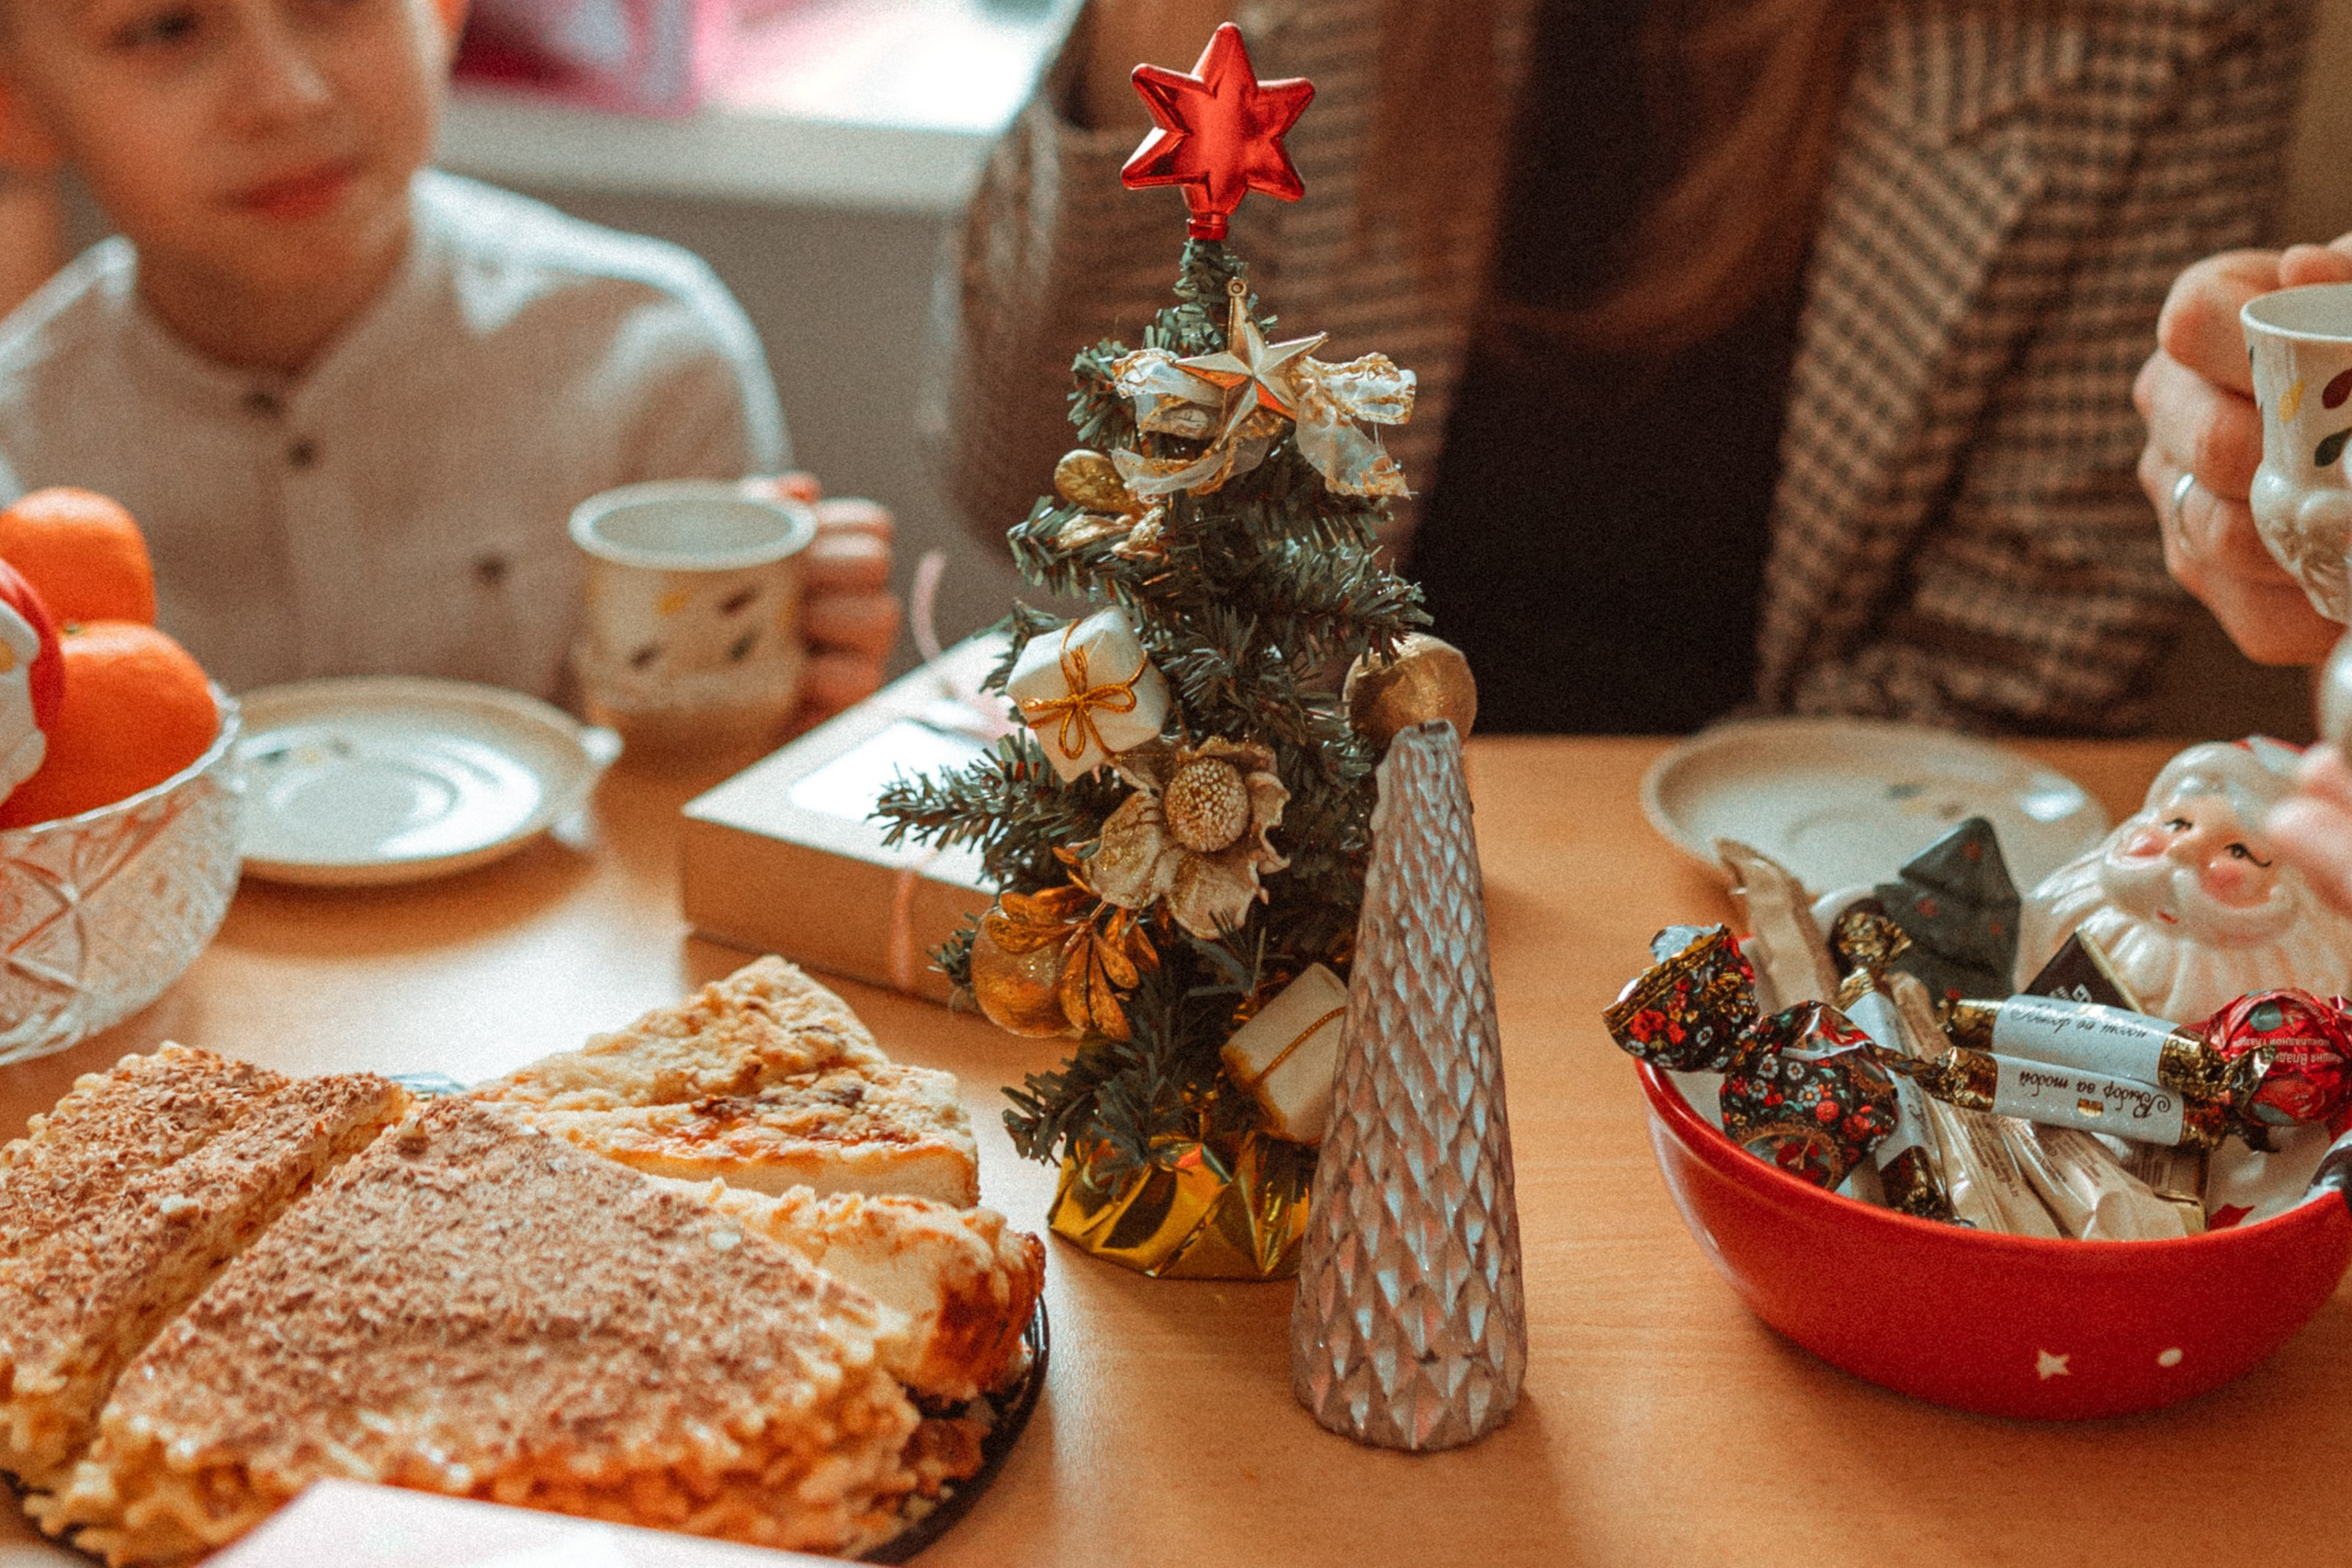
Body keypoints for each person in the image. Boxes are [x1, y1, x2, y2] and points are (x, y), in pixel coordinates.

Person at [926, 0, 2313, 735]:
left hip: (1768, 918)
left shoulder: (2154, 30)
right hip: (1277, 855)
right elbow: (1043, 489)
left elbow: (2021, 677)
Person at [0, 0, 897, 724]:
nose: (286, 95)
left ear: (439, 14)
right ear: (17, 104)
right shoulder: (19, 441)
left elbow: (683, 834)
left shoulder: (646, 356)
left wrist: (788, 719)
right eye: (164, 27)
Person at [2017, 738, 2352, 1024]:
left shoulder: (2287, 977)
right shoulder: (2079, 909)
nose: (2182, 849)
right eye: (2177, 824)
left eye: (2238, 851)